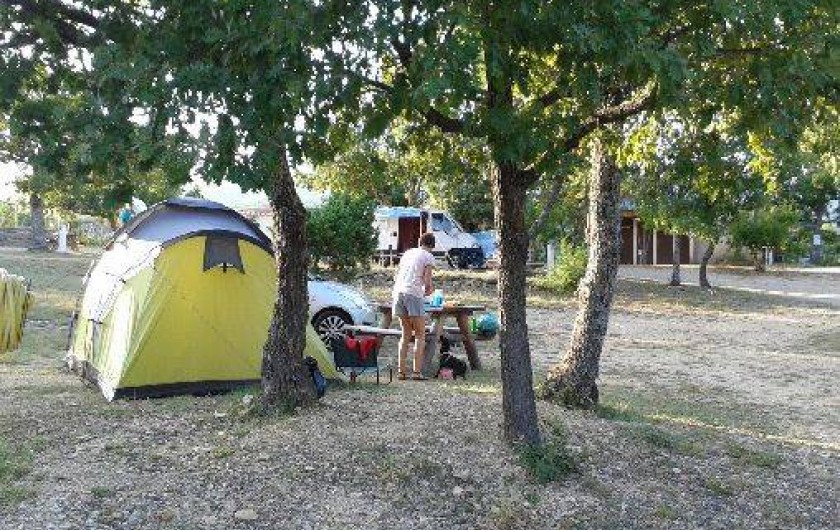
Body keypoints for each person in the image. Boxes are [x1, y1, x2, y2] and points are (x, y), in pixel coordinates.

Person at [392, 232, 436, 380]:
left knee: (405, 334)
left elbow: (397, 274)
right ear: (432, 246)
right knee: (420, 334)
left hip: (398, 293)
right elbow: (427, 280)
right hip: (413, 294)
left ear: (420, 242)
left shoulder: (408, 253)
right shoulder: (428, 256)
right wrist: (430, 289)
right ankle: (417, 372)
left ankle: (401, 371)